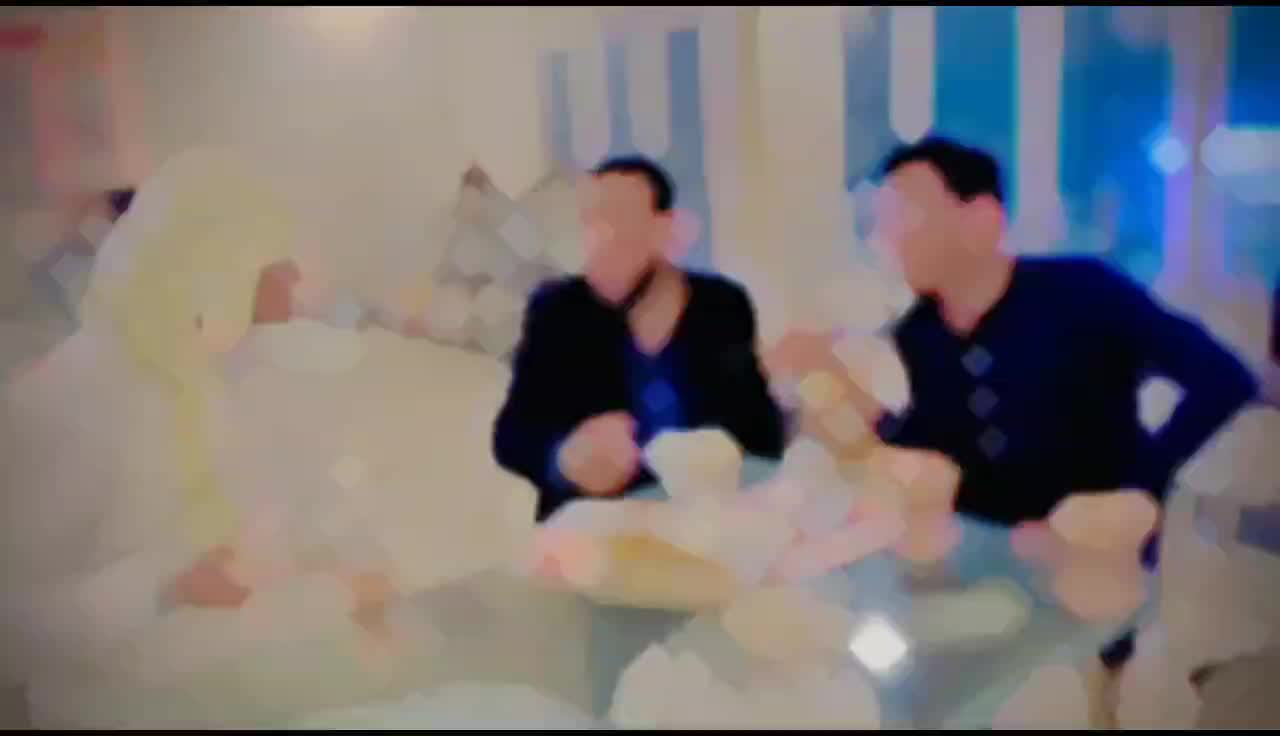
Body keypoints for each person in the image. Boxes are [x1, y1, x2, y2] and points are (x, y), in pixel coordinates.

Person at [493, 155, 786, 521]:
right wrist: (565, 458)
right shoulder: (558, 311)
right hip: (598, 523)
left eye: (617, 218)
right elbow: (513, 435)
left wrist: (722, 453)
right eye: (588, 221)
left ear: (665, 230)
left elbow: (762, 434)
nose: (599, 239)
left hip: (705, 518)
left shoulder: (721, 305)